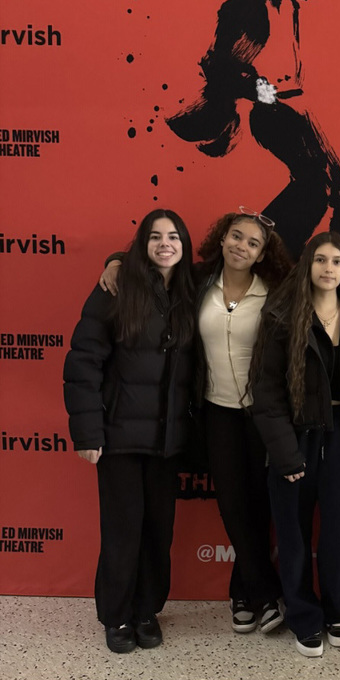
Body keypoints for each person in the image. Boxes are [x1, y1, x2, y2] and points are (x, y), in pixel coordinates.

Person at [99, 206, 292, 636]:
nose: (242, 246)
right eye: (236, 237)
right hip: (215, 412)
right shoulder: (198, 280)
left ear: (262, 254)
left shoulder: (277, 290)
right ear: (221, 239)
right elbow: (155, 261)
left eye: (253, 243)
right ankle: (263, 594)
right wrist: (114, 260)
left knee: (260, 505)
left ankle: (245, 594)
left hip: (264, 415)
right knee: (232, 504)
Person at [166, 0, 340, 259]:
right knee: (318, 187)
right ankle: (266, 254)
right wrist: (258, 88)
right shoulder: (252, 3)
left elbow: (293, 79)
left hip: (286, 108)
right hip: (261, 110)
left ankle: (335, 269)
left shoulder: (289, 8)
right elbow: (218, 62)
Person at [64, 210, 196, 653]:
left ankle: (146, 611)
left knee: (159, 531)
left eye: (173, 236)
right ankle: (117, 616)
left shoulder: (190, 290)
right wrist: (87, 432)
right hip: (119, 437)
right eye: (155, 236)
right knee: (123, 530)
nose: (165, 243)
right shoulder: (115, 288)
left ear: (185, 245)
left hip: (167, 441)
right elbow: (83, 361)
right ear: (142, 244)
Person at [250, 231, 340, 657]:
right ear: (308, 265)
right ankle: (303, 615)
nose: (328, 268)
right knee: (294, 535)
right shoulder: (281, 314)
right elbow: (264, 392)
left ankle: (337, 609)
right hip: (294, 434)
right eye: (320, 259)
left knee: (339, 533)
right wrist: (285, 452)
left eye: (337, 261)